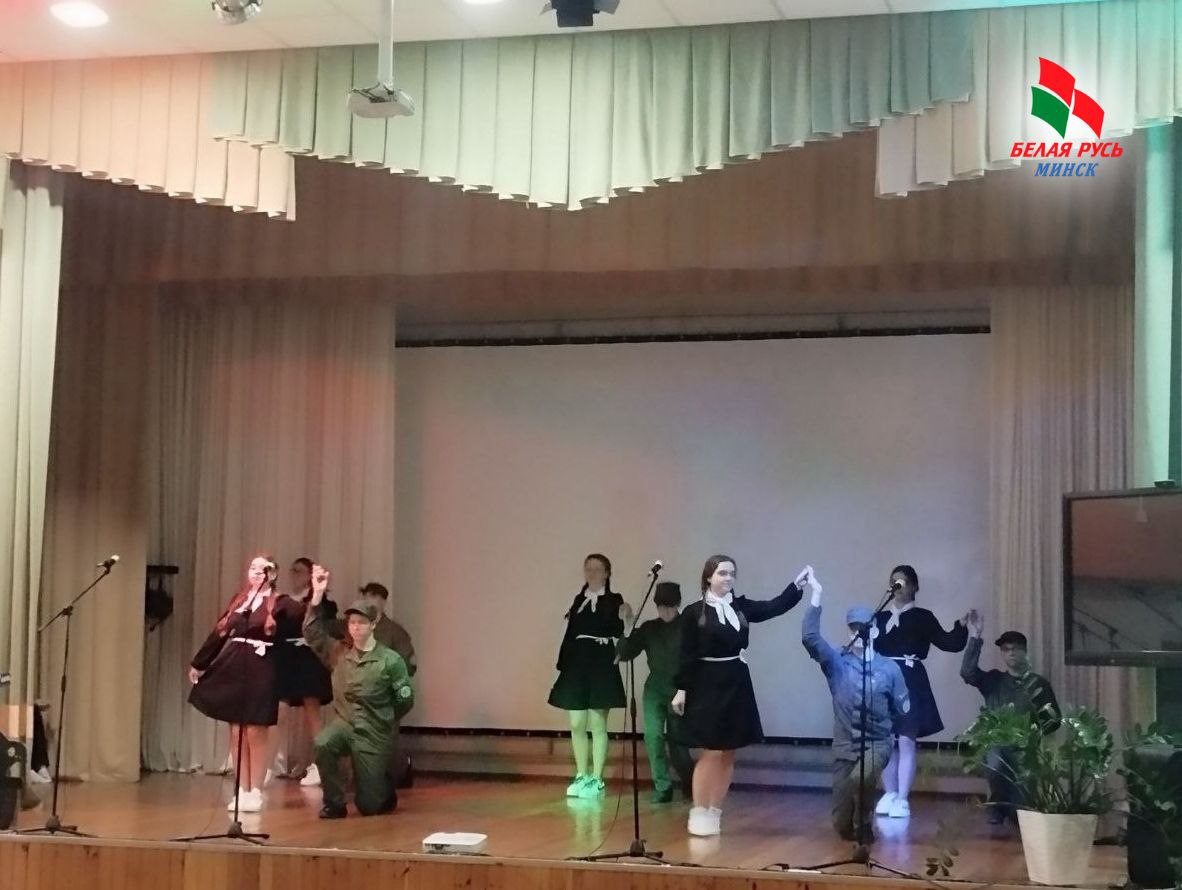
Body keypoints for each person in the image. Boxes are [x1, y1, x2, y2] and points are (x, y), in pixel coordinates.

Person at [672, 555, 808, 836]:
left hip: (736, 681)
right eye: (722, 573)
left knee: (728, 751)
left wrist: (796, 587)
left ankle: (714, 810)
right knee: (711, 750)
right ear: (708, 577)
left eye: (732, 573)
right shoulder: (693, 612)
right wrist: (681, 689)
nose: (728, 578)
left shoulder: (740, 607)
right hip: (706, 684)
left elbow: (773, 607)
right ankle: (699, 810)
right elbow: (686, 653)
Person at [801, 572, 910, 842]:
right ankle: (852, 824)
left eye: (865, 628)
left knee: (861, 778)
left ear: (875, 631)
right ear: (848, 631)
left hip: (877, 743)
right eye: (854, 628)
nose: (859, 633)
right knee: (841, 826)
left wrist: (883, 727)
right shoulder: (837, 663)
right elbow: (810, 637)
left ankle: (865, 822)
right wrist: (816, 593)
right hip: (845, 748)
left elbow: (901, 709)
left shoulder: (889, 668)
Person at [303, 565, 415, 818]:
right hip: (345, 724)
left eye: (361, 623)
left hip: (374, 730)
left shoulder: (390, 660)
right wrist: (317, 595)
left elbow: (405, 699)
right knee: (323, 743)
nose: (355, 627)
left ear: (373, 625)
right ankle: (334, 802)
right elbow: (312, 632)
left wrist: (384, 717)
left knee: (370, 806)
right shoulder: (339, 654)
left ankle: (383, 786)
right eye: (352, 623)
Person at [872, 565, 973, 819]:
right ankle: (889, 792)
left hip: (910, 679)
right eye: (894, 581)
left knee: (906, 740)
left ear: (914, 587)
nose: (898, 586)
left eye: (903, 582)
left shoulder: (923, 617)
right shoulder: (880, 618)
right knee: (885, 739)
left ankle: (902, 798)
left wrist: (961, 626)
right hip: (884, 679)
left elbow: (949, 643)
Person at [188, 555, 282, 813]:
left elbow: (294, 627)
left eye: (262, 568)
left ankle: (256, 789)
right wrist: (200, 662)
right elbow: (220, 631)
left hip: (262, 666)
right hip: (234, 664)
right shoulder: (240, 600)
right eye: (252, 567)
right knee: (236, 730)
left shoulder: (279, 603)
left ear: (272, 574)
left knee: (255, 729)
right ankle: (242, 788)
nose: (256, 572)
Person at [961, 615, 1061, 824]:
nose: (1011, 653)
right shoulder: (994, 680)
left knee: (1021, 813)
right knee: (996, 764)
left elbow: (1054, 720)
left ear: (1025, 651)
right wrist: (976, 636)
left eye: (1015, 648)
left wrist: (1034, 733)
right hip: (997, 743)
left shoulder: (1038, 684)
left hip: (1026, 749)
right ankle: (996, 807)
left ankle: (1011, 811)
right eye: (1006, 649)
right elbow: (967, 672)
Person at [547, 553, 628, 800]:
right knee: (576, 722)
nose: (592, 573)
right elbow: (571, 633)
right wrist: (563, 663)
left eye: (597, 569)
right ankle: (581, 774)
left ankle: (597, 777)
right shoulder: (579, 599)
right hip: (577, 663)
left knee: (597, 722)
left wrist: (625, 616)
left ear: (607, 573)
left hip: (601, 661)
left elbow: (617, 628)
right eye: (588, 569)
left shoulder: (614, 599)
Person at [615, 580, 694, 803]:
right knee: (653, 737)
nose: (665, 611)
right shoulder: (650, 628)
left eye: (670, 606)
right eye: (661, 607)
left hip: (679, 690)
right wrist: (627, 627)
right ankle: (662, 786)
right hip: (655, 690)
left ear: (677, 604)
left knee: (678, 742)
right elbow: (625, 654)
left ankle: (689, 782)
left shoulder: (687, 627)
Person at [271, 557, 336, 788]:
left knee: (312, 713)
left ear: (309, 575)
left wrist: (317, 593)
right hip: (286, 660)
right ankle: (268, 764)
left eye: (299, 571)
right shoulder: (283, 601)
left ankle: (320, 765)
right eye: (292, 570)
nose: (294, 574)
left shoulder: (320, 601)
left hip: (309, 661)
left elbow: (322, 624)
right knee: (277, 712)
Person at [358, 581, 417, 788]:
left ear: (383, 601)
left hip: (386, 695)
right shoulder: (355, 627)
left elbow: (408, 664)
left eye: (374, 597)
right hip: (359, 694)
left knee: (386, 740)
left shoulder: (394, 632)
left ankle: (398, 771)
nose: (370, 602)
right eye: (366, 597)